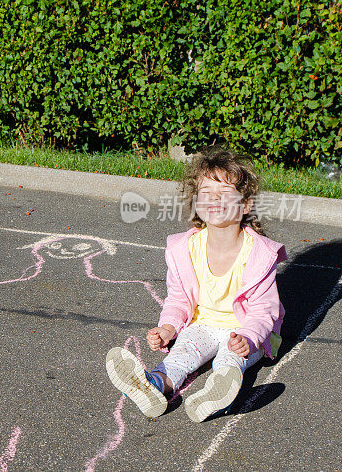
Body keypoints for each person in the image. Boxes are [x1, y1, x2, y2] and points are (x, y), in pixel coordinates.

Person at [105, 149, 286, 422]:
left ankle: (218, 398)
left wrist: (249, 339)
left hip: (246, 331)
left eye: (224, 192)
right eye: (206, 192)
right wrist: (168, 328)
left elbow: (263, 310)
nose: (213, 199)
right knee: (182, 354)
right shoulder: (184, 249)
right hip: (202, 325)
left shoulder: (260, 254)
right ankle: (153, 386)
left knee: (228, 360)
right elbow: (178, 299)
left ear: (246, 205)